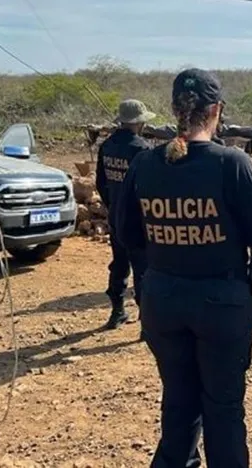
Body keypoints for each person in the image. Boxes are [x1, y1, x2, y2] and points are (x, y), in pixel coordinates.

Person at [114, 68, 252, 468]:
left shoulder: (145, 164)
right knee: (222, 409)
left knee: (179, 401)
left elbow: (126, 232)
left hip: (163, 300)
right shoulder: (232, 163)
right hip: (221, 304)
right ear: (216, 110)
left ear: (175, 110)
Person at [95, 99, 154, 331]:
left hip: (116, 218)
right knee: (143, 269)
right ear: (139, 123)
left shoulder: (107, 146)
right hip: (139, 221)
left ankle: (117, 311)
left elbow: (101, 182)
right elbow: (150, 188)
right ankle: (146, 323)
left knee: (119, 264)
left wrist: (113, 206)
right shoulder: (142, 149)